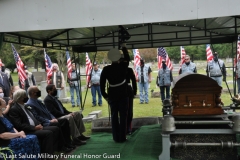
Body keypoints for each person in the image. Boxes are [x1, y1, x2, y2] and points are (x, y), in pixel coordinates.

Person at [8, 89, 60, 154]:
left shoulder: (26, 106)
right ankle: (47, 155)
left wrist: (39, 124)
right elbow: (19, 125)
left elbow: (34, 117)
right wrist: (34, 128)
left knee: (55, 128)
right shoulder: (14, 109)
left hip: (35, 127)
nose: (26, 97)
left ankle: (54, 149)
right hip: (27, 131)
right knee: (48, 133)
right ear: (20, 98)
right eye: (24, 96)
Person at [26, 86, 78, 150]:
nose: (40, 92)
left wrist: (53, 118)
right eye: (38, 91)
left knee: (64, 121)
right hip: (44, 122)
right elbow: (37, 117)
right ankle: (62, 146)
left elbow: (48, 112)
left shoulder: (39, 101)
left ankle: (68, 142)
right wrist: (49, 121)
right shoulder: (30, 104)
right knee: (57, 124)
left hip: (50, 119)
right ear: (33, 93)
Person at [100, 43, 130, 142]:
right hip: (122, 94)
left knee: (114, 116)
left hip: (112, 94)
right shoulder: (123, 66)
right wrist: (124, 48)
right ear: (118, 57)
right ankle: (122, 137)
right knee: (123, 116)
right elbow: (127, 58)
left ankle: (116, 137)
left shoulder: (106, 69)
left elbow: (102, 83)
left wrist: (105, 95)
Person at [126, 65, 137, 135]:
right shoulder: (128, 69)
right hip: (124, 91)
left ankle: (128, 127)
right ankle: (126, 128)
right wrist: (134, 91)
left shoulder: (129, 70)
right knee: (127, 111)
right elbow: (133, 81)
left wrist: (134, 91)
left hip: (127, 91)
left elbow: (133, 80)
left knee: (129, 111)